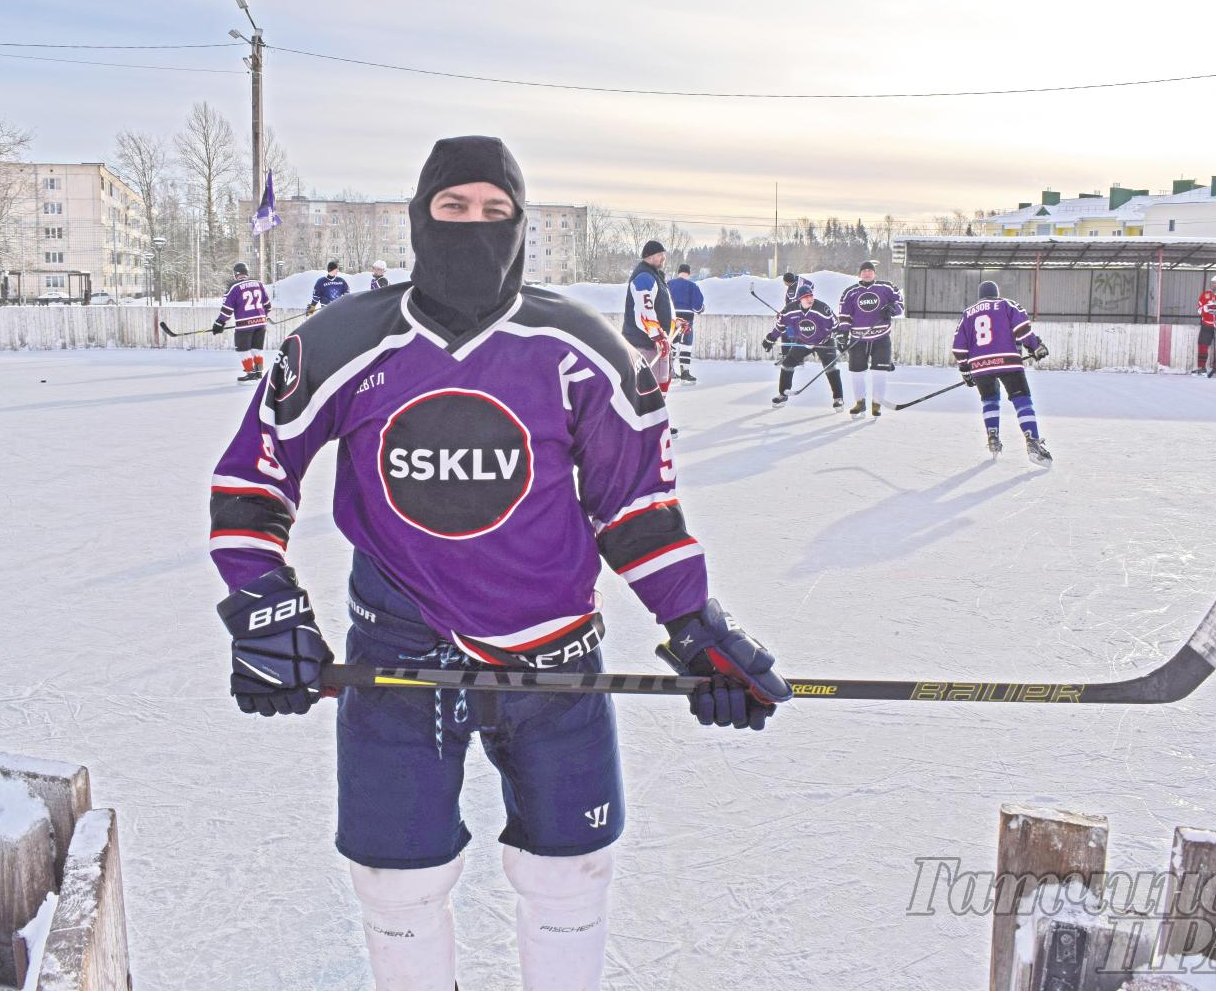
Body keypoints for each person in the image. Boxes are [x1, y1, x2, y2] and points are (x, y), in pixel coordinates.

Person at [207, 136, 790, 991]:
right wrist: (265, 608)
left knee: (571, 872)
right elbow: (251, 484)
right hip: (397, 656)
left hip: (554, 657)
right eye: (454, 207)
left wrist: (694, 625)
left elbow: (637, 510)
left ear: (520, 222)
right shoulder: (341, 341)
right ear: (419, 216)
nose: (474, 226)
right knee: (394, 881)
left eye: (496, 211)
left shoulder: (582, 346)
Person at [952, 280, 1052, 464]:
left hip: (980, 365)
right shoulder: (1007, 304)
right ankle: (1032, 443)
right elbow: (1022, 330)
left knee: (989, 400)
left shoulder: (968, 313)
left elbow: (959, 348)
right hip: (1008, 361)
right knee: (1022, 400)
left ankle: (993, 438)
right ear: (996, 293)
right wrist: (1035, 346)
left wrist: (965, 370)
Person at [835, 259, 904, 417]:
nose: (867, 273)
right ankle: (860, 403)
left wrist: (891, 309)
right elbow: (844, 316)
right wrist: (842, 335)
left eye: (870, 270)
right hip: (858, 339)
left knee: (879, 372)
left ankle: (876, 404)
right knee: (856, 373)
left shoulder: (886, 287)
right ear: (859, 274)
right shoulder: (850, 292)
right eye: (864, 271)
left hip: (881, 338)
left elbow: (900, 305)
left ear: (874, 273)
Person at [762, 283, 845, 409]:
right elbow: (780, 326)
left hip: (824, 342)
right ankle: (783, 394)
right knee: (787, 364)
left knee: (831, 368)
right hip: (803, 342)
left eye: (811, 295)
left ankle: (838, 398)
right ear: (799, 299)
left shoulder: (822, 309)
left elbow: (835, 326)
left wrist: (840, 339)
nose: (809, 299)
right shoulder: (790, 310)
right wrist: (771, 338)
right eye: (806, 296)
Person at [622, 240, 675, 399]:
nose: (663, 258)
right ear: (649, 257)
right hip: (647, 345)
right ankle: (651, 423)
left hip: (654, 342)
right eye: (660, 255)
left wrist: (674, 322)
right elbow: (645, 310)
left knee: (661, 385)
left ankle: (657, 422)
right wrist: (658, 336)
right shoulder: (644, 277)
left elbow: (661, 307)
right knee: (651, 389)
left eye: (663, 254)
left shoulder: (654, 275)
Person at [210, 262, 272, 382]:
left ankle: (250, 372)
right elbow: (268, 305)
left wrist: (219, 323)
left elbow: (227, 309)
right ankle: (258, 372)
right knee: (256, 349)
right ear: (246, 272)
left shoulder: (234, 288)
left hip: (245, 325)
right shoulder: (258, 284)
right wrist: (264, 316)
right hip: (261, 323)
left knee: (242, 350)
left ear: (235, 274)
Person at [665, 263, 706, 383]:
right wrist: (702, 308)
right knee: (686, 346)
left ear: (678, 272)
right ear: (688, 273)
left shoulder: (669, 285)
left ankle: (669, 371)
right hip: (687, 321)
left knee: (672, 345)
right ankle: (685, 372)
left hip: (672, 320)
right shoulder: (692, 286)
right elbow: (697, 307)